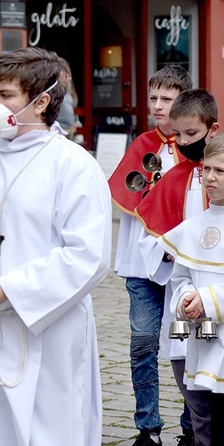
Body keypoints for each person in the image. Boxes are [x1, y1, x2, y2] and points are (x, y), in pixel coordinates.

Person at [0, 47, 111, 446]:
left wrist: (12, 288)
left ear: (41, 101)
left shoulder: (73, 165)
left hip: (47, 329)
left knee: (45, 431)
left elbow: (89, 257)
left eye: (5, 95)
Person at [107, 64, 193, 446]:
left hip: (185, 266)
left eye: (167, 98)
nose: (158, 106)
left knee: (191, 342)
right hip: (142, 263)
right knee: (143, 341)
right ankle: (148, 427)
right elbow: (128, 195)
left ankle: (194, 425)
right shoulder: (142, 145)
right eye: (153, 97)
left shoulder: (199, 150)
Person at [136, 88, 220, 446]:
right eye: (178, 135)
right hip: (187, 302)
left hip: (216, 298)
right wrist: (169, 254)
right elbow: (150, 242)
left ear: (212, 129)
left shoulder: (214, 173)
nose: (183, 143)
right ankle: (195, 430)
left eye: (192, 135)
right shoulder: (173, 179)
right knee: (192, 375)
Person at [157, 134, 224, 445]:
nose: (210, 177)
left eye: (220, 171)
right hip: (204, 341)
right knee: (203, 419)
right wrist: (186, 300)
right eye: (207, 169)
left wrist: (209, 300)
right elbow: (180, 276)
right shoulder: (194, 226)